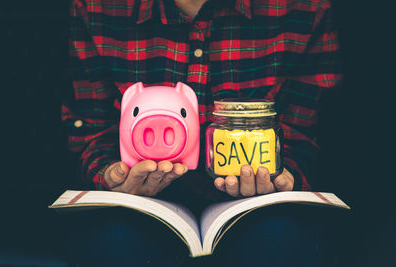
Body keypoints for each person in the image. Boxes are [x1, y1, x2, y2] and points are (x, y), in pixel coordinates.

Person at [63, 0, 345, 266]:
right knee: (114, 243)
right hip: (135, 209)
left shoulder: (305, 8)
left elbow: (305, 130)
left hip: (262, 211)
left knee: (280, 240)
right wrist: (111, 176)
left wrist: (283, 176)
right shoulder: (95, 7)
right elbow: (91, 127)